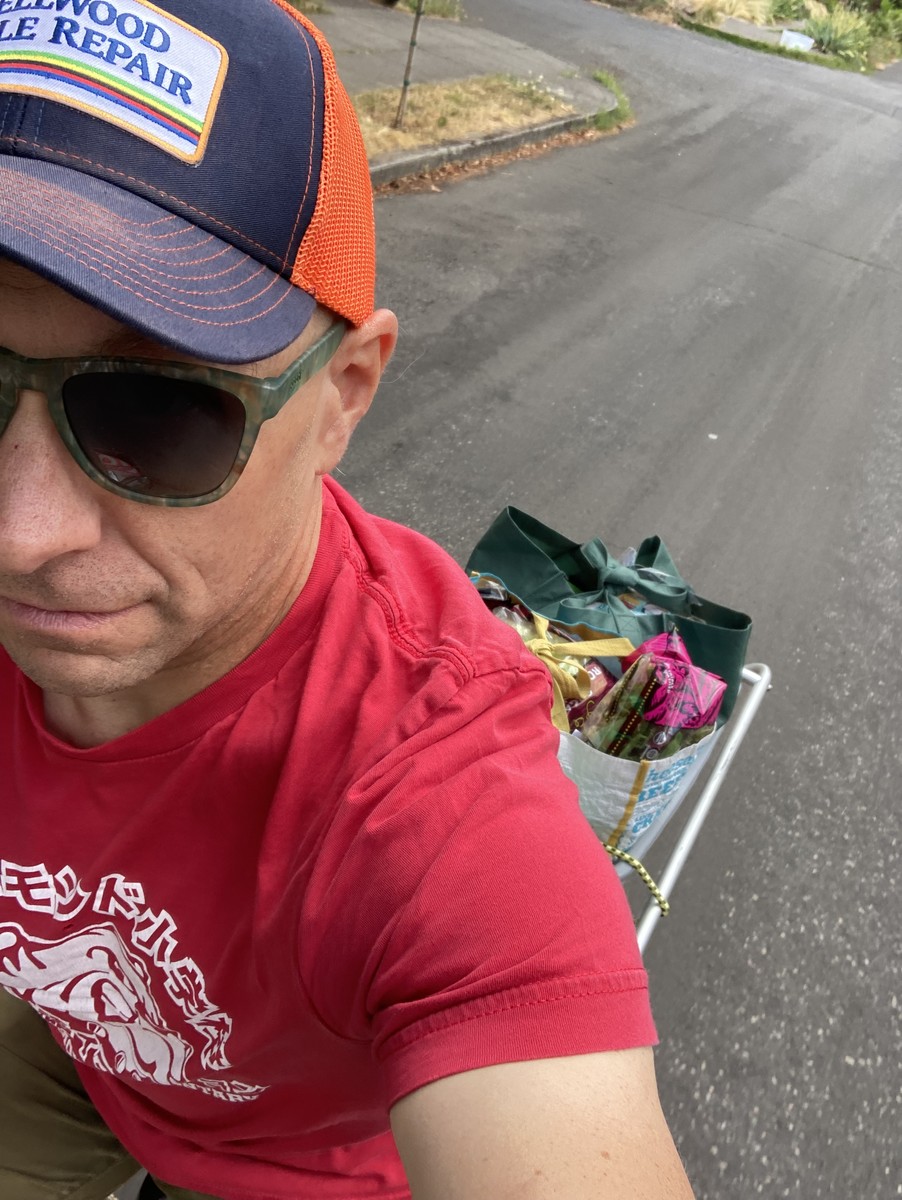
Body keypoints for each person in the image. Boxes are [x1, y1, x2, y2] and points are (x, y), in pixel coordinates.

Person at [0, 2, 695, 1197]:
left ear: (344, 397)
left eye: (156, 412)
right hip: (74, 1046)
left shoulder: (436, 802)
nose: (20, 536)